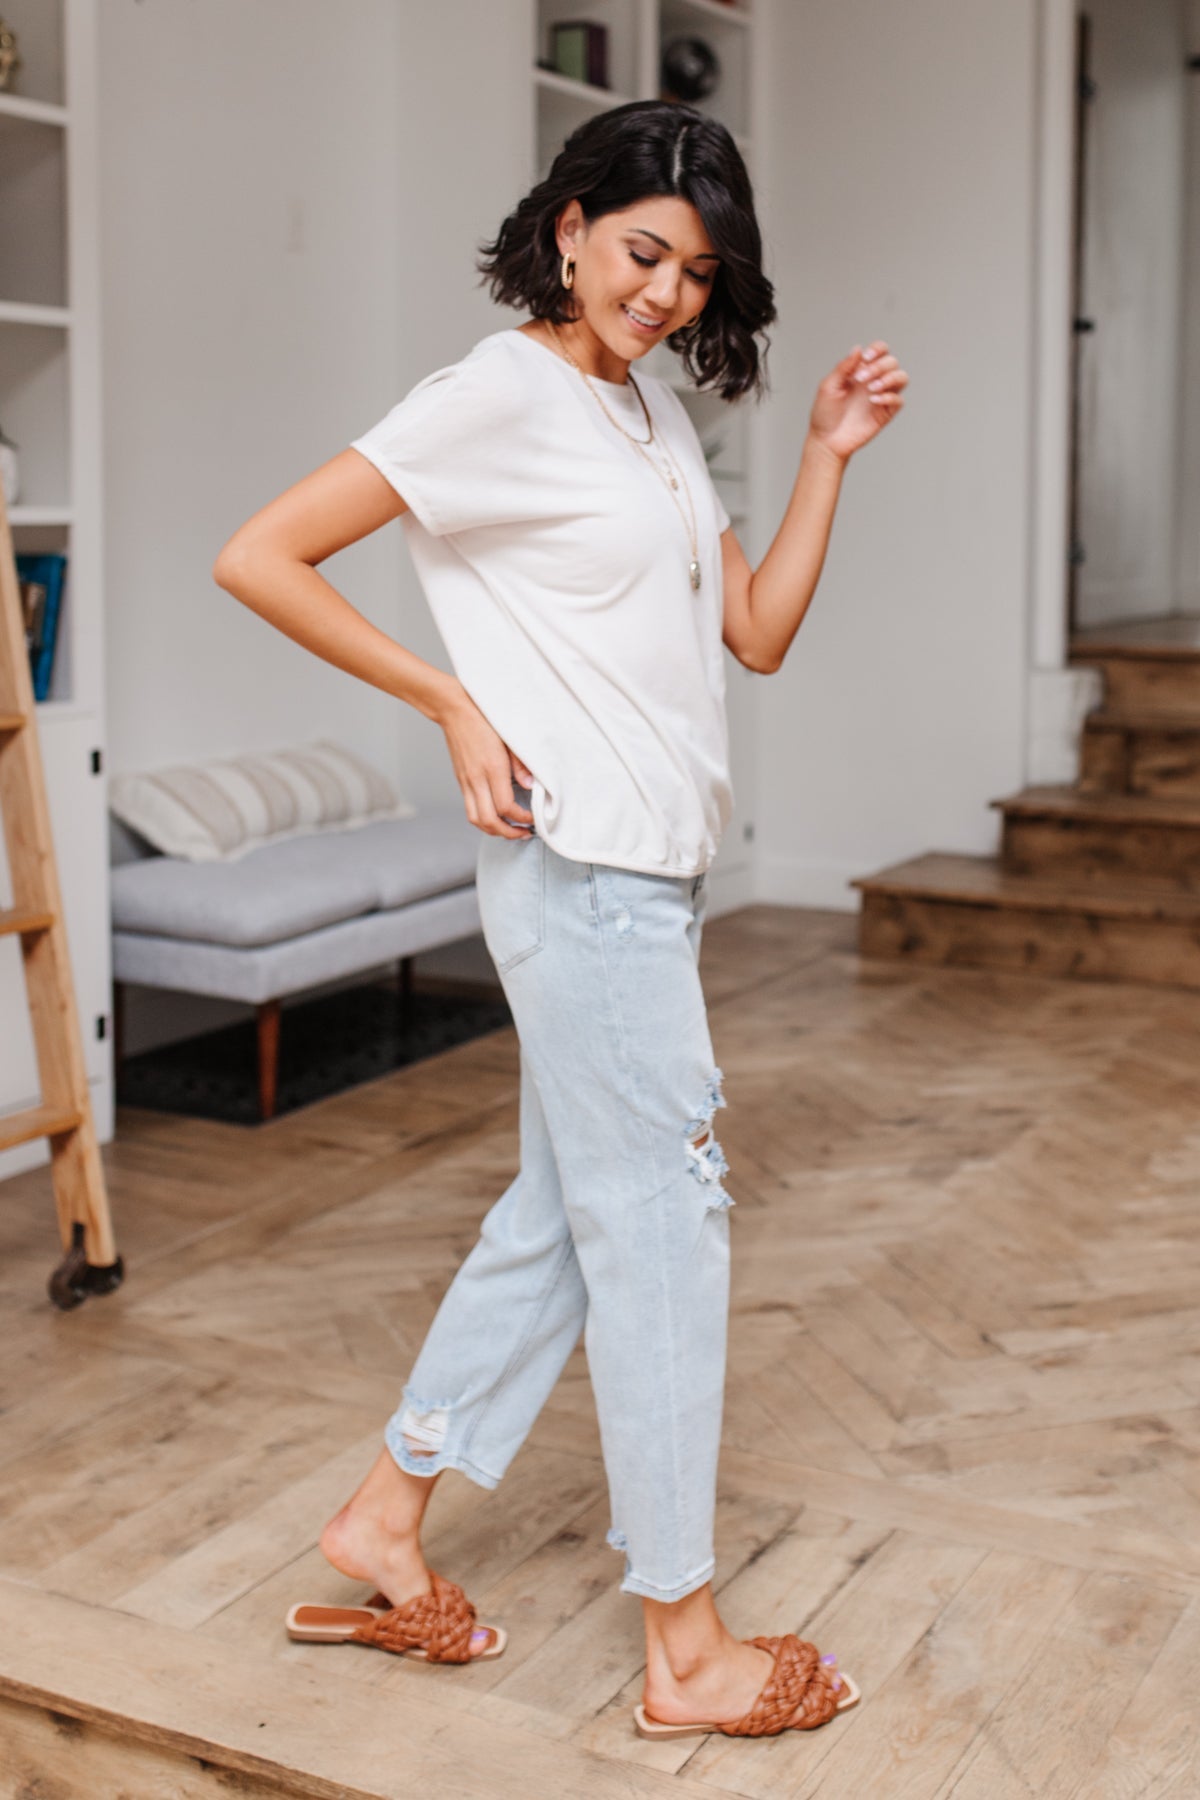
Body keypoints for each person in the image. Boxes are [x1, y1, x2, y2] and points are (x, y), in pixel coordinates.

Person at [213, 98, 906, 1740]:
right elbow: (261, 554)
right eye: (645, 252)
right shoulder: (497, 393)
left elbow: (755, 631)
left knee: (563, 1220)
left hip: (650, 873)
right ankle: (686, 1647)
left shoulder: (651, 407)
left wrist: (824, 456)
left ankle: (383, 1521)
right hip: (581, 871)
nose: (665, 293)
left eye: (698, 272)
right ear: (572, 225)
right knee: (663, 1229)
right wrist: (449, 702)